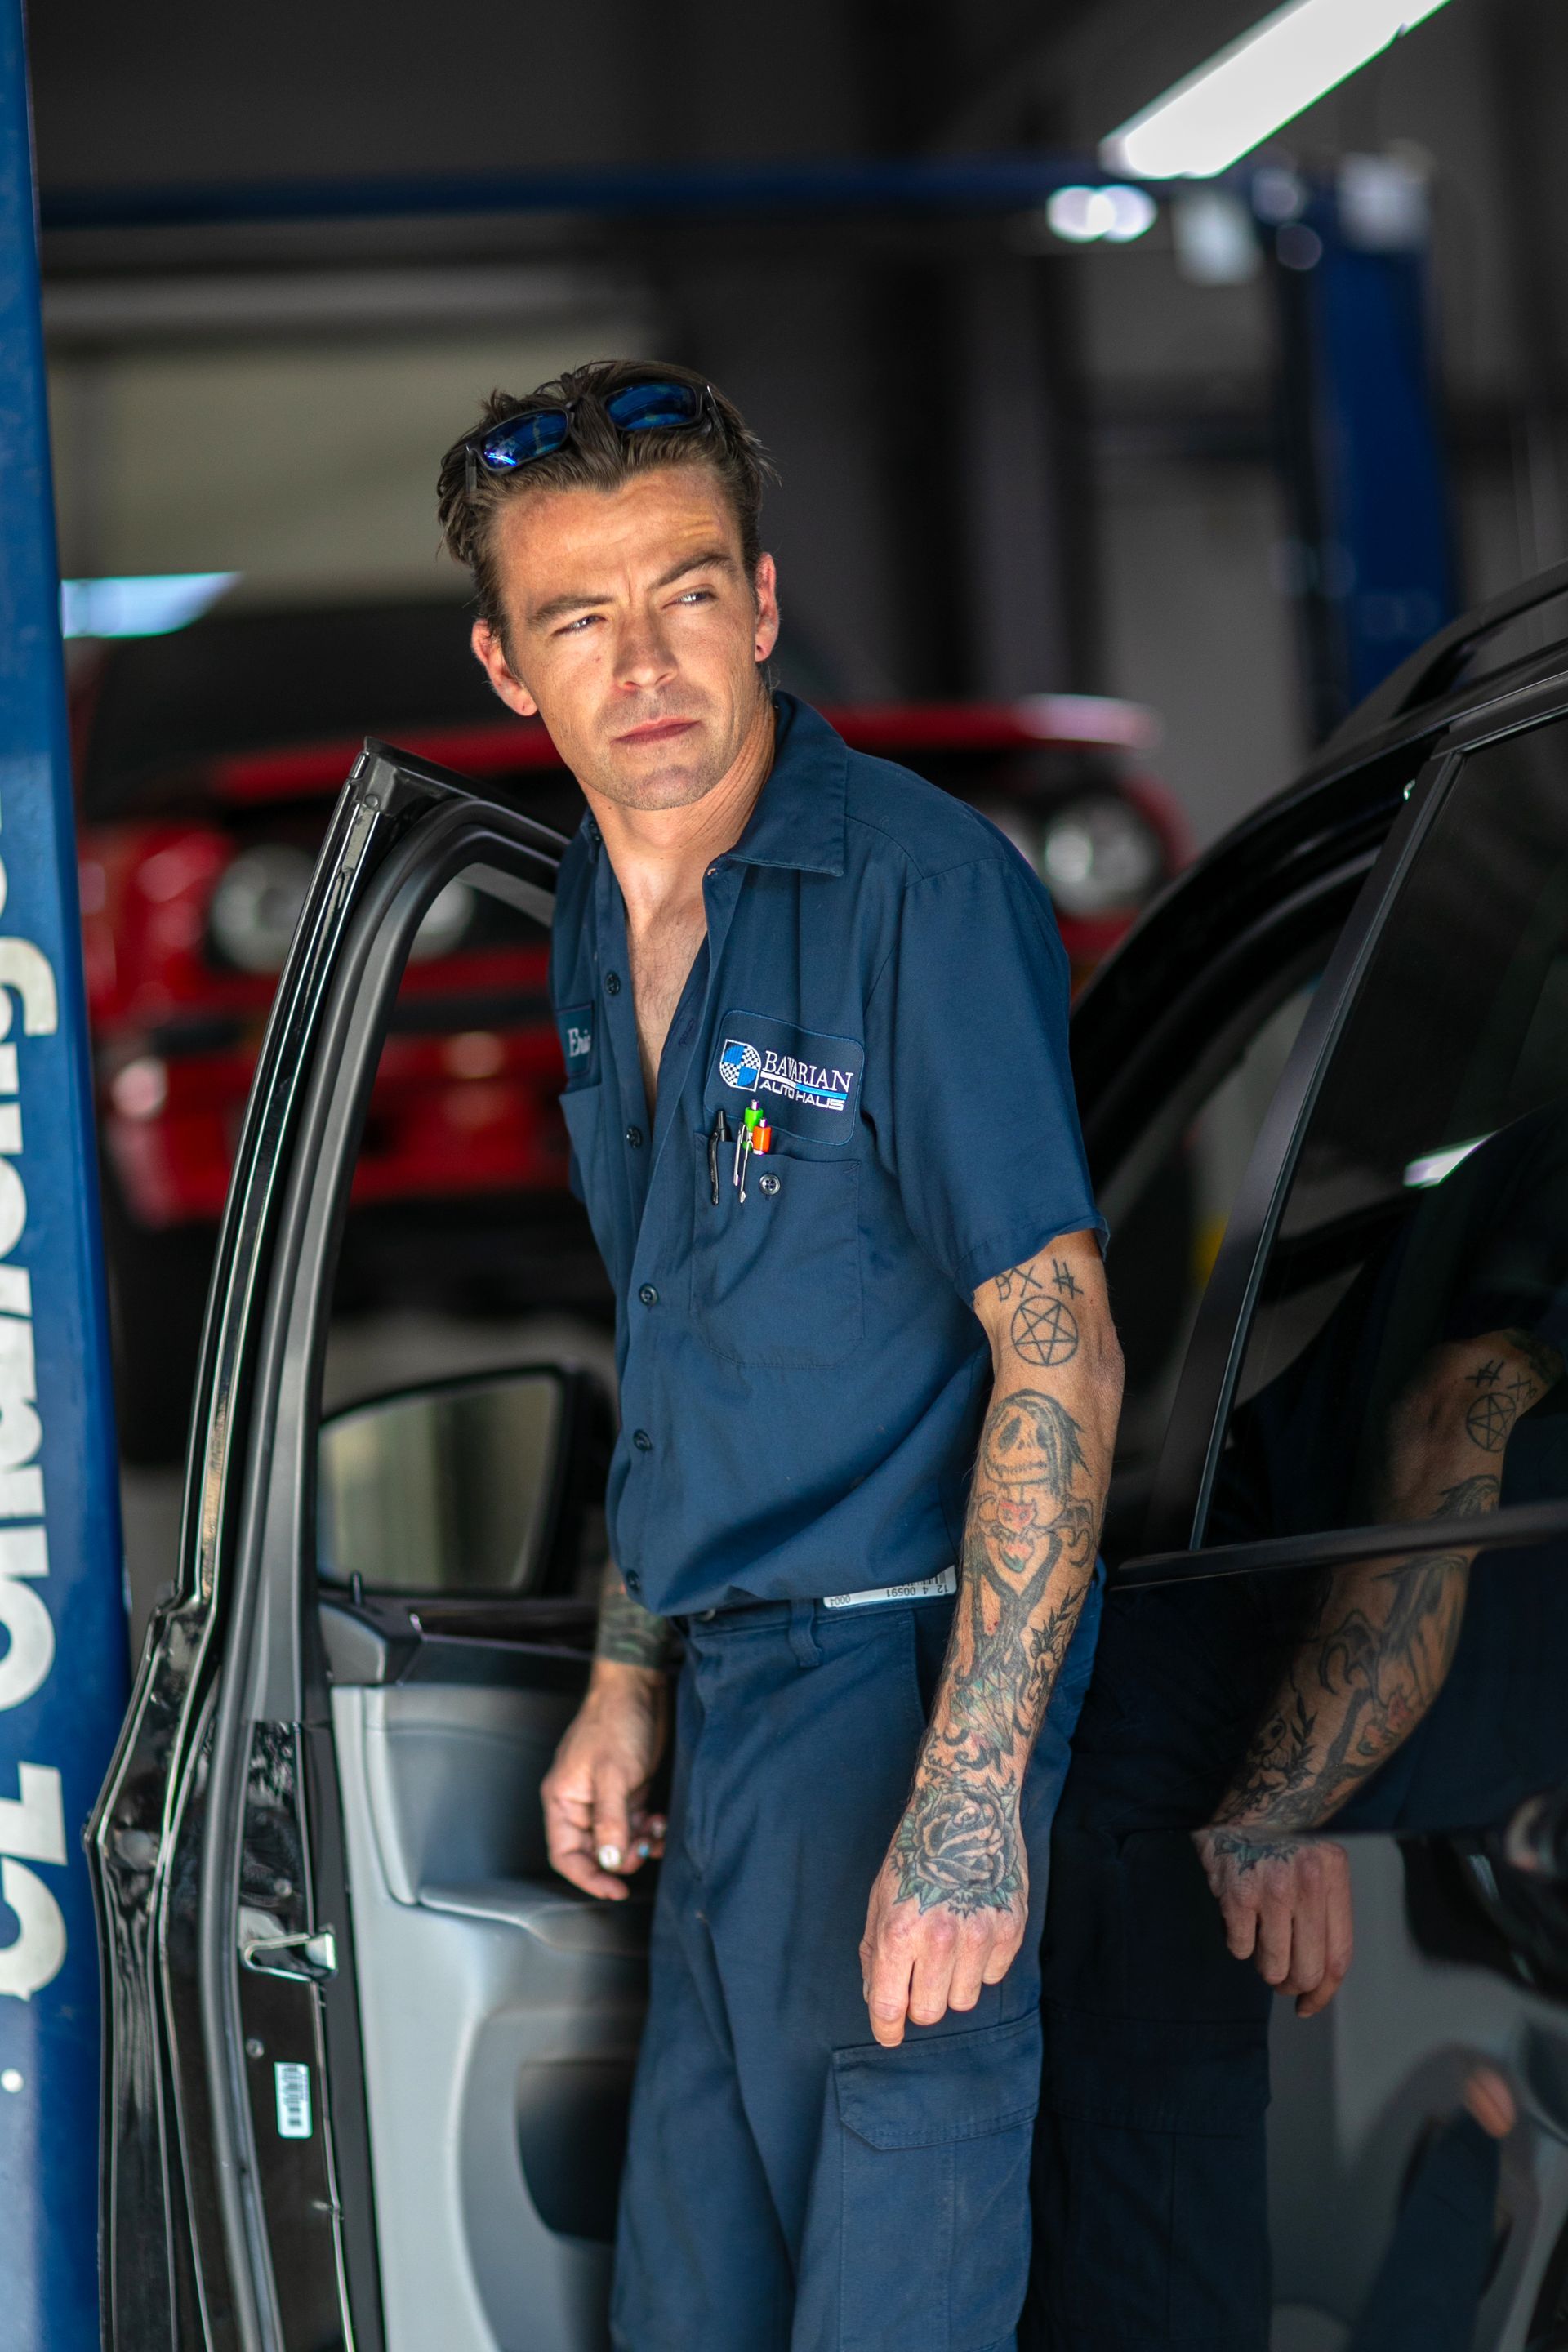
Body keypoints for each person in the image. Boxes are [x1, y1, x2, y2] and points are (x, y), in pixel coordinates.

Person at [436, 359, 1121, 2351]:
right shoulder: (591, 907)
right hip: (734, 1709)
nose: (645, 662)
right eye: (581, 617)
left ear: (761, 595)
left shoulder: (916, 890)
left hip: (908, 1679)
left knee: (890, 2308)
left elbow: (1061, 1355)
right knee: (691, 2312)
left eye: (686, 592)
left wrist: (970, 1797)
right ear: (509, 662)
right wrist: (624, 1679)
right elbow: (684, 1338)